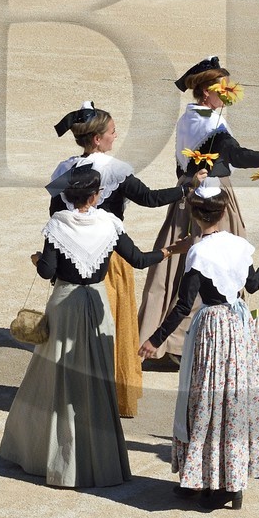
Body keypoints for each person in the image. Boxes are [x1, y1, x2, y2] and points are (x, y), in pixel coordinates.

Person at [3, 166, 182, 489]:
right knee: (98, 380)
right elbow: (139, 259)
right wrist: (170, 251)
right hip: (98, 306)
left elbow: (47, 271)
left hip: (64, 306)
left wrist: (35, 260)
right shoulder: (109, 224)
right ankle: (99, 460)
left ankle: (54, 461)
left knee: (56, 379)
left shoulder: (57, 225)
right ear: (96, 195)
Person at [137, 57, 259, 357]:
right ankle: (188, 342)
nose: (229, 91)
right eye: (222, 87)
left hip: (188, 193)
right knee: (216, 263)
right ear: (206, 92)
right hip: (212, 196)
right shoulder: (211, 122)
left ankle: (161, 336)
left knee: (177, 265)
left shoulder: (189, 116)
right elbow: (234, 154)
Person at [47, 104, 184, 418]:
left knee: (77, 331)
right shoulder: (114, 168)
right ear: (96, 139)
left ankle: (76, 394)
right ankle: (113, 395)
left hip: (74, 258)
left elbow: (55, 214)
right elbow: (150, 199)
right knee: (113, 328)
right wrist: (184, 189)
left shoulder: (64, 168)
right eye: (111, 132)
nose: (115, 135)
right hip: (111, 258)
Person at [139, 189, 259, 509]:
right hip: (236, 328)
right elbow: (252, 285)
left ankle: (212, 480)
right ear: (224, 212)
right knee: (232, 402)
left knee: (205, 403)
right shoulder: (239, 246)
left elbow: (183, 306)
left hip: (211, 329)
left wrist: (155, 340)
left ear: (195, 216)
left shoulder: (198, 254)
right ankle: (228, 482)